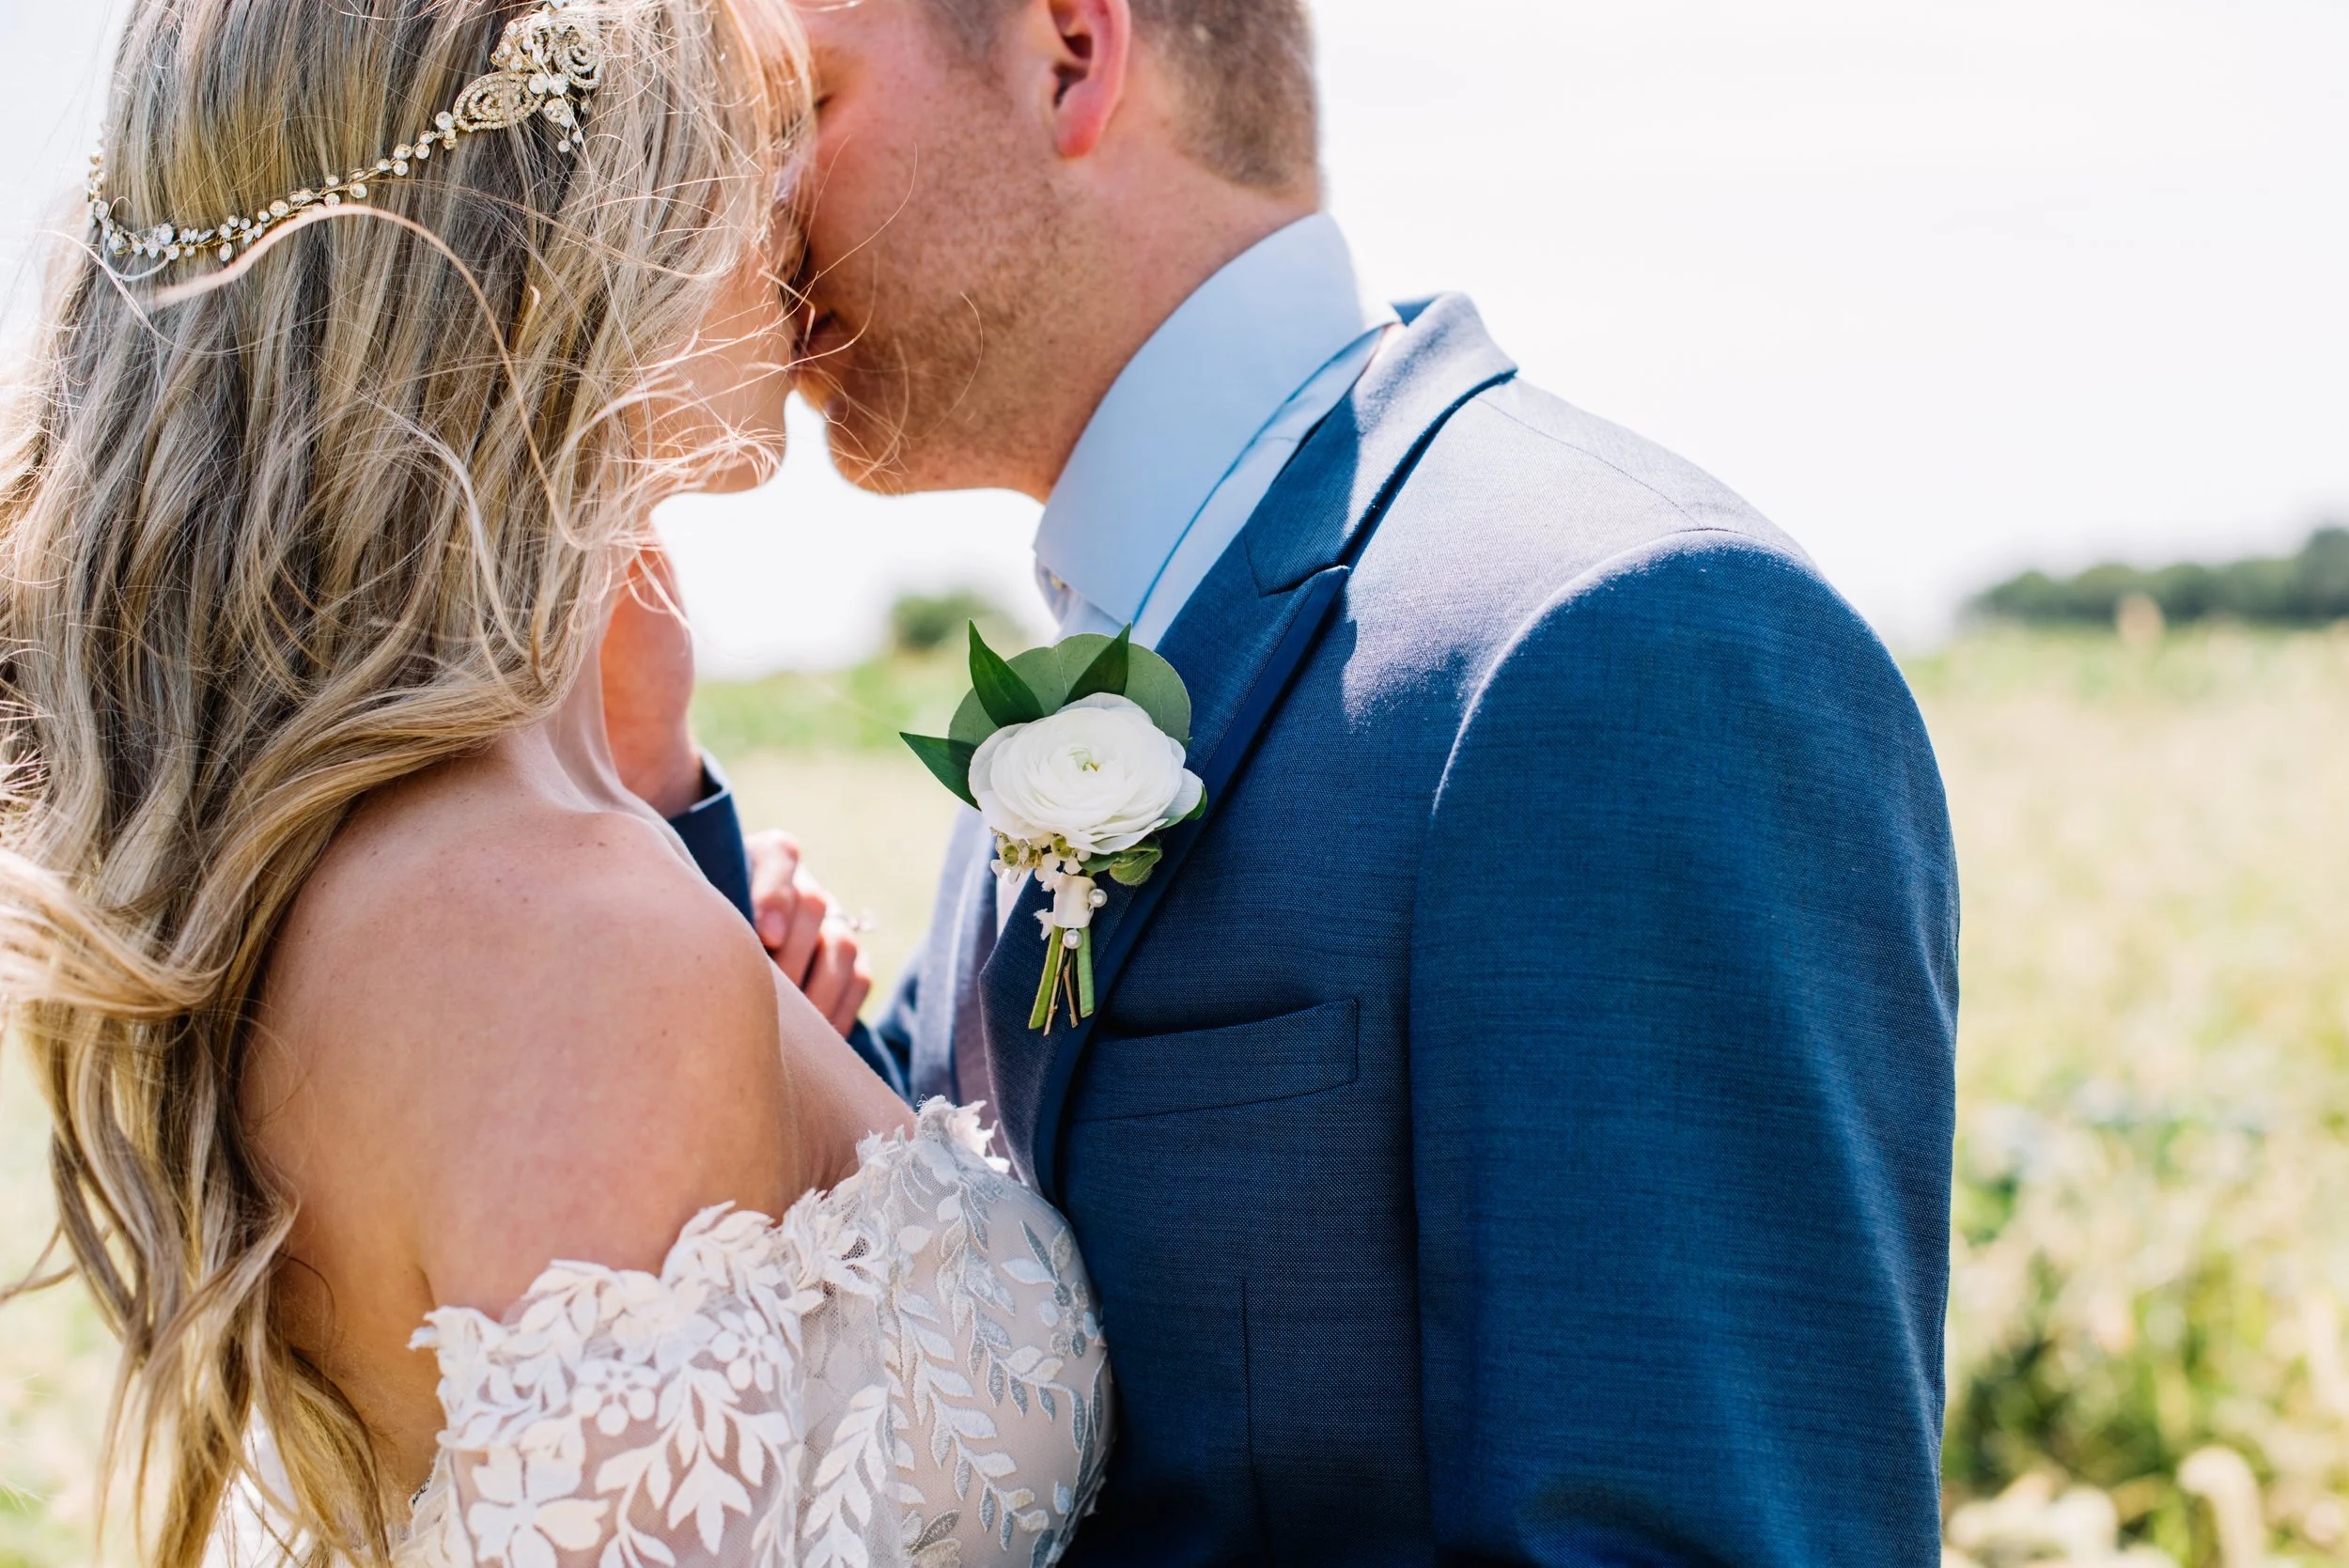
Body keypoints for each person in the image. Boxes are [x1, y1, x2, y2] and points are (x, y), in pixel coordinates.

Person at [646, 0, 1963, 1561]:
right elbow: (1021, 1289)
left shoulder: (1621, 643)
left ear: (1071, 54)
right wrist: (656, 820)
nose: (755, 211)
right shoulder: (1092, 665)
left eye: (801, 112)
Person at [0, 2, 1106, 1565]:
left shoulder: (453, 855)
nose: (798, 211)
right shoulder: (573, 948)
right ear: (570, 235)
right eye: (746, 145)